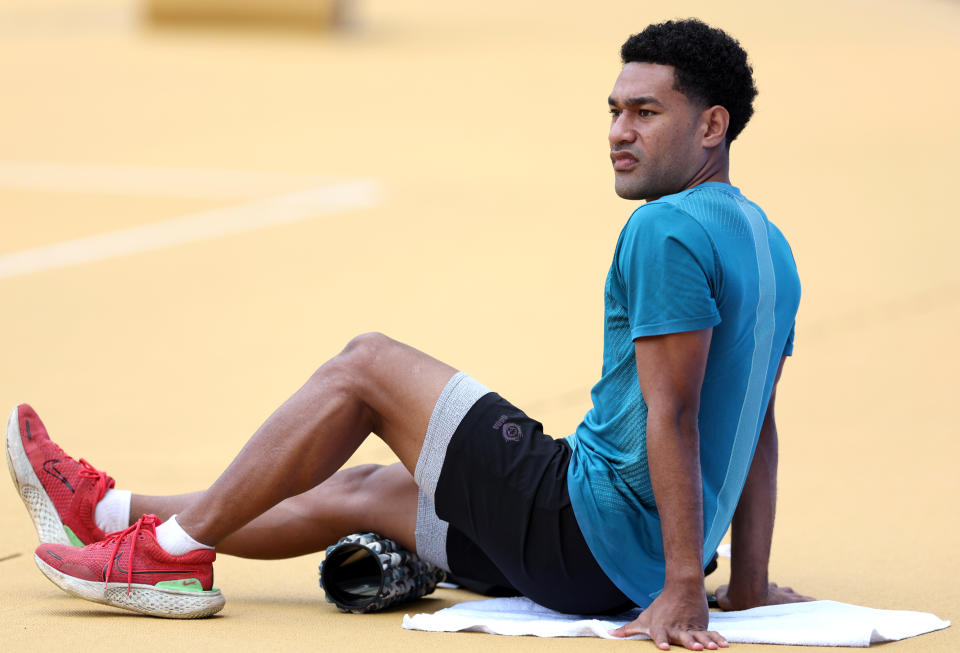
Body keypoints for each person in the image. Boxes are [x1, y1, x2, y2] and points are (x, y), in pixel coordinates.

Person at [6, 18, 813, 651]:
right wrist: (744, 581)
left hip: (587, 535)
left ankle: (167, 552)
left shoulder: (667, 230)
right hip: (612, 561)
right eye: (612, 110)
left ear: (712, 126)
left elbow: (672, 416)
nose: (617, 132)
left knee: (366, 366)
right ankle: (111, 515)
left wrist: (678, 584)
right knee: (370, 490)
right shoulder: (770, 243)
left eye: (646, 112)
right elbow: (758, 429)